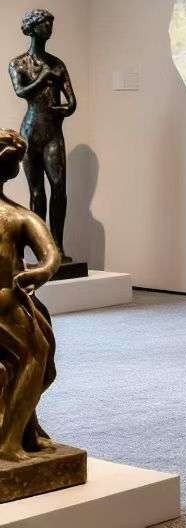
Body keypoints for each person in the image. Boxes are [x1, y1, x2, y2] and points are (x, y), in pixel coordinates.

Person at [0, 129, 60, 463]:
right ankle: (10, 442)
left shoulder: (20, 217)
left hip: (12, 299)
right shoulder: (20, 215)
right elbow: (51, 258)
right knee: (35, 359)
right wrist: (41, 271)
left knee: (38, 365)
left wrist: (39, 273)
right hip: (7, 302)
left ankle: (25, 429)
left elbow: (50, 258)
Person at [7, 10, 77, 260]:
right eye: (45, 23)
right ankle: (42, 250)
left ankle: (57, 247)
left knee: (59, 188)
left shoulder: (58, 63)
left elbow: (72, 102)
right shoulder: (18, 63)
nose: (49, 27)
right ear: (32, 28)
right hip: (31, 132)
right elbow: (21, 91)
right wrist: (45, 76)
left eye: (51, 23)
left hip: (53, 133)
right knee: (37, 192)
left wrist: (63, 109)